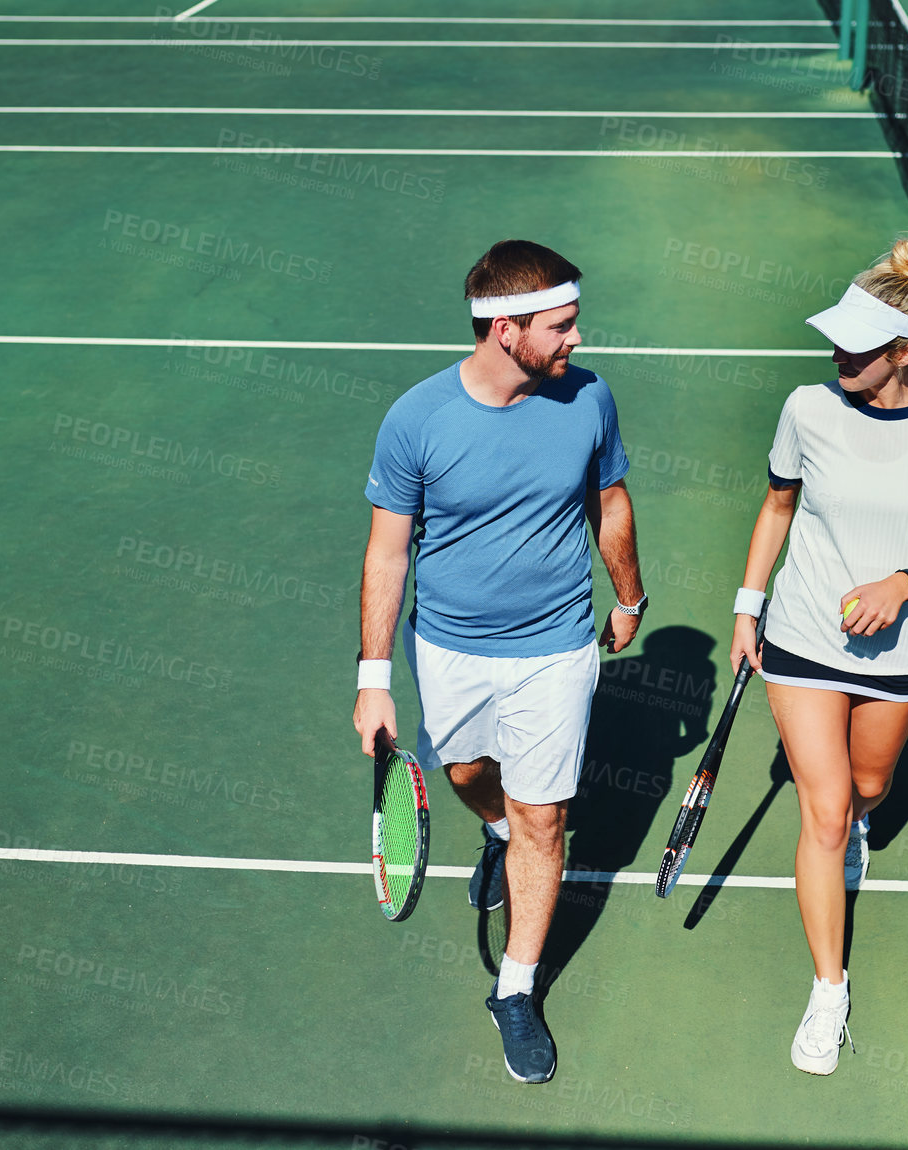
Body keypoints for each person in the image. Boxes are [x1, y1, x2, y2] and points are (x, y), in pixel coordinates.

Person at [353, 240, 645, 1085]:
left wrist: (627, 596)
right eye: (561, 326)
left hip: (557, 647)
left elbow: (611, 498)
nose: (577, 339)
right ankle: (493, 830)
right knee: (471, 775)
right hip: (448, 647)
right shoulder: (417, 419)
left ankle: (515, 989)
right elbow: (387, 556)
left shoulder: (589, 400)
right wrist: (374, 680)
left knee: (544, 819)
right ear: (506, 329)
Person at [730, 237, 908, 1075]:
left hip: (903, 648)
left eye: (856, 343)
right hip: (803, 633)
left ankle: (860, 821)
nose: (836, 353)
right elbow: (777, 508)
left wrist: (903, 584)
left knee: (867, 790)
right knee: (825, 812)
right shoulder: (808, 407)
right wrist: (748, 605)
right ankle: (829, 991)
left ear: (905, 352)